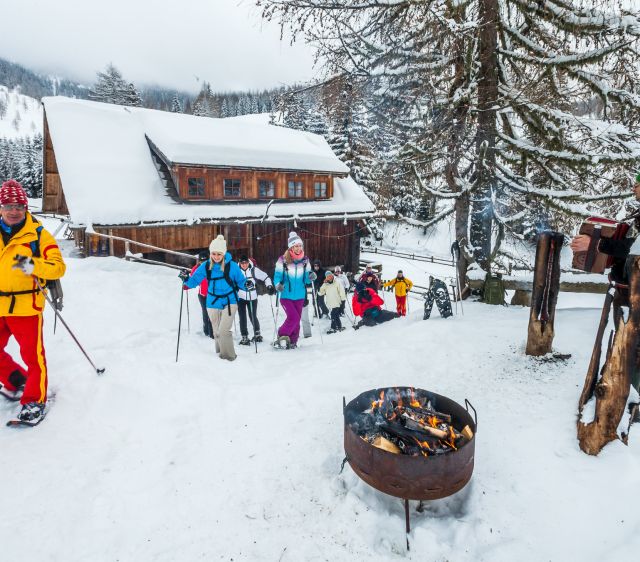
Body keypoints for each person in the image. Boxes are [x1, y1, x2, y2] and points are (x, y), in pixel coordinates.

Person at [0, 179, 66, 423]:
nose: (13, 211)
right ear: (1, 208)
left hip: (27, 306)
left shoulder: (38, 235)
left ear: (26, 208)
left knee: (33, 357)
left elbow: (58, 267)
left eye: (18, 206)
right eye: (8, 206)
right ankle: (16, 379)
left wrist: (31, 265)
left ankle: (34, 400)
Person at [181, 235, 247, 361]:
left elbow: (241, 281)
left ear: (224, 253)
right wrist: (186, 279)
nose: (216, 257)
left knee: (224, 330)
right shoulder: (206, 266)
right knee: (216, 331)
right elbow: (194, 281)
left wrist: (247, 285)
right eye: (214, 254)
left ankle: (229, 358)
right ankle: (219, 356)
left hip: (230, 301)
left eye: (219, 254)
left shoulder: (231, 266)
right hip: (212, 301)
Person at [273, 231, 313, 349]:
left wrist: (311, 277)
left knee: (297, 320)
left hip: (300, 296)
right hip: (286, 295)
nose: (298, 248)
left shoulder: (305, 261)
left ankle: (293, 341)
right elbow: (277, 276)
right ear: (291, 247)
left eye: (300, 245)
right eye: (296, 246)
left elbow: (306, 279)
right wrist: (277, 285)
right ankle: (282, 335)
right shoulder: (283, 260)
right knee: (293, 318)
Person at [237, 255, 274, 345]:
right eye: (242, 263)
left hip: (252, 297)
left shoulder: (254, 270)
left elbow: (266, 277)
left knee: (252, 315)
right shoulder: (237, 271)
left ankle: (257, 333)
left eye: (246, 263)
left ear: (248, 262)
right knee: (242, 317)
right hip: (240, 297)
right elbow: (232, 281)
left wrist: (269, 285)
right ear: (240, 263)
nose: (244, 265)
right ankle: (244, 336)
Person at [187, 250, 213, 338]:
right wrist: (186, 282)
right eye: (201, 261)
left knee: (213, 313)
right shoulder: (196, 268)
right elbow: (192, 278)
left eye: (205, 260)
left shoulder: (212, 267)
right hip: (202, 295)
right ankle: (207, 331)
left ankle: (213, 331)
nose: (203, 262)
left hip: (213, 294)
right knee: (205, 312)